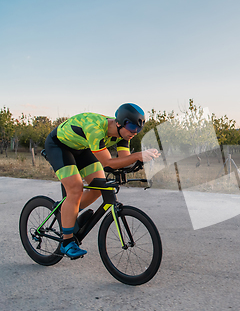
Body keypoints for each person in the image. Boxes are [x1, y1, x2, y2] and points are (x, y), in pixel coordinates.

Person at [44, 103, 159, 258]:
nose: (135, 132)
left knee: (99, 186)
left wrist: (141, 161)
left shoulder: (124, 134)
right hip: (59, 146)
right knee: (76, 189)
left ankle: (67, 213)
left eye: (139, 129)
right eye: (132, 126)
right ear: (119, 122)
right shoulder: (95, 128)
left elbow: (123, 160)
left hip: (82, 148)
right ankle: (66, 242)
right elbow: (108, 163)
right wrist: (138, 155)